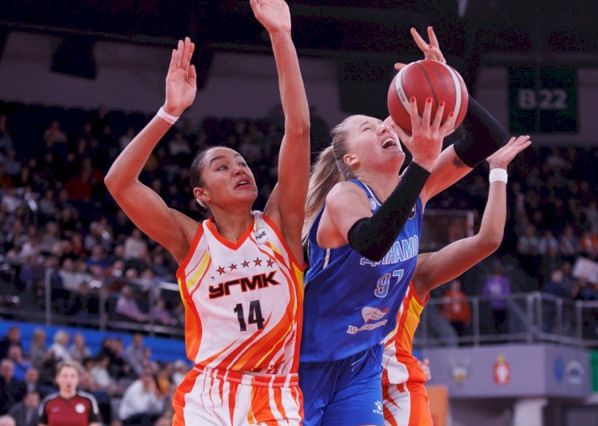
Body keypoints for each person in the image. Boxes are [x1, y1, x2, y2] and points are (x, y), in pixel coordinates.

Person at [104, 0, 310, 423]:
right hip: (208, 395)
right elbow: (119, 183)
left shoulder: (281, 225)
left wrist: (281, 37)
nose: (239, 169)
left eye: (242, 163)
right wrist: (169, 113)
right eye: (222, 166)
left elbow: (299, 130)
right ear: (201, 195)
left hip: (275, 394)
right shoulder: (191, 240)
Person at [300, 25, 510, 425]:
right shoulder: (346, 196)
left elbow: (489, 139)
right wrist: (423, 164)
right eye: (369, 128)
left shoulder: (417, 187)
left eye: (384, 123)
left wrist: (450, 85)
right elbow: (372, 241)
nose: (385, 127)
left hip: (362, 363)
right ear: (351, 160)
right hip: (307, 359)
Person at [382, 135, 531, 426]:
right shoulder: (337, 262)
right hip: (344, 387)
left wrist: (498, 171)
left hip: (396, 390)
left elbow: (488, 240)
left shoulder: (415, 270)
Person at [38, 361, 101, 426]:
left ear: (78, 379)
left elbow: (95, 424)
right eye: (65, 376)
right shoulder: (48, 402)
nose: (69, 380)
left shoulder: (88, 400)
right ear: (57, 379)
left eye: (73, 376)